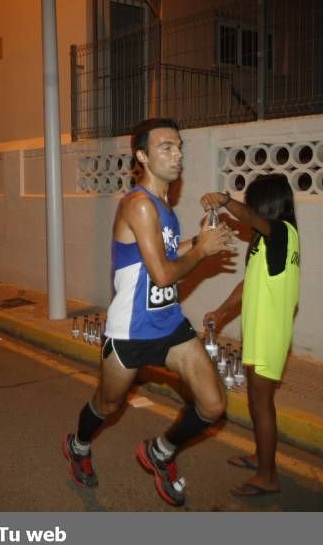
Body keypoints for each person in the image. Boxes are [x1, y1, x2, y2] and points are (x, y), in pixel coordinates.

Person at [62, 118, 234, 506]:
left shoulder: (163, 209)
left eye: (179, 147)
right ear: (142, 156)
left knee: (213, 404)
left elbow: (165, 253)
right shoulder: (140, 205)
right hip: (131, 331)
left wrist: (198, 240)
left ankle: (160, 451)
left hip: (169, 324)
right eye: (166, 148)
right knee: (106, 405)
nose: (177, 156)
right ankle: (78, 445)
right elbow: (162, 273)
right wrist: (202, 251)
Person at [200, 173, 300, 497]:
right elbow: (248, 285)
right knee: (257, 404)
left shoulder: (283, 233)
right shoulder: (263, 243)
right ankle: (261, 458)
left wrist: (227, 202)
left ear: (266, 204)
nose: (251, 211)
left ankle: (268, 476)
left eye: (254, 203)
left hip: (270, 333)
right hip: (257, 331)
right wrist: (220, 312)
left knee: (262, 403)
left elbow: (253, 219)